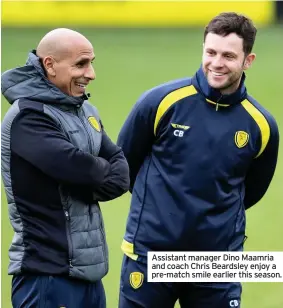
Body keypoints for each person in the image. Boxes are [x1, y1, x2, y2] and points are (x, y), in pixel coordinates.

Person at [117, 12, 279, 308]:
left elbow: (251, 190)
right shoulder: (160, 102)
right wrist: (162, 209)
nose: (217, 63)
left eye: (229, 55)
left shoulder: (261, 125)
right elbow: (124, 167)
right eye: (211, 52)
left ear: (248, 61)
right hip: (151, 254)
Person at [1, 28, 130, 308]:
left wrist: (89, 174)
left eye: (91, 62)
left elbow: (120, 173)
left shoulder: (86, 111)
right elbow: (81, 169)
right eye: (81, 64)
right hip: (46, 277)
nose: (91, 73)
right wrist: (91, 173)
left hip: (90, 278)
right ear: (50, 64)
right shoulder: (28, 116)